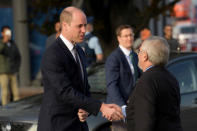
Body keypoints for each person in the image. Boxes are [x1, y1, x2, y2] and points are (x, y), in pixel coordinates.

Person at [37, 6, 123, 131]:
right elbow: (65, 92)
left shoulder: (79, 51)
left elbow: (84, 86)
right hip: (57, 125)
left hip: (78, 125)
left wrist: (86, 108)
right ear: (65, 26)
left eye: (85, 25)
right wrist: (100, 107)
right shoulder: (53, 54)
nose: (84, 30)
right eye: (80, 26)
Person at [126, 36, 182, 131]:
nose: (137, 54)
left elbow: (145, 121)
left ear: (145, 56)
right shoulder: (171, 77)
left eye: (139, 51)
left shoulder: (146, 81)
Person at [105, 25, 141, 131]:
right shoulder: (114, 58)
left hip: (133, 106)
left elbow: (141, 78)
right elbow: (112, 85)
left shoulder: (135, 56)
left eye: (131, 35)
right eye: (125, 36)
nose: (129, 38)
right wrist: (122, 107)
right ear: (119, 38)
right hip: (118, 108)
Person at [0, 26, 21, 106]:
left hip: (13, 71)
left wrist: (17, 68)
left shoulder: (13, 43)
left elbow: (18, 56)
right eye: (6, 32)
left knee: (16, 92)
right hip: (3, 71)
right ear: (2, 33)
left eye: (9, 32)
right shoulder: (1, 42)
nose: (8, 35)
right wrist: (4, 42)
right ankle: (5, 107)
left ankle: (17, 107)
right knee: (5, 92)